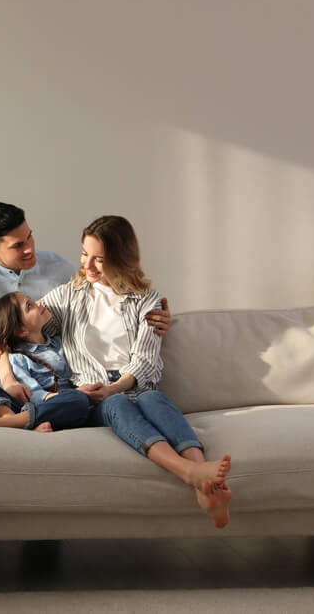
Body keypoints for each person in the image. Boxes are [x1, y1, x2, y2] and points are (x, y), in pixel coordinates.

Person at [38, 215, 233, 528]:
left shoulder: (148, 301)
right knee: (115, 404)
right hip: (92, 393)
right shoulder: (66, 297)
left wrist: (117, 386)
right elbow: (23, 326)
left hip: (134, 385)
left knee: (153, 398)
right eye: (85, 255)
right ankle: (189, 472)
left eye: (99, 259)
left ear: (121, 258)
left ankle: (206, 482)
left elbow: (146, 359)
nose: (88, 266)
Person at [0, 202, 172, 404]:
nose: (30, 249)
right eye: (18, 246)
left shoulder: (58, 267)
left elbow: (107, 293)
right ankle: (12, 416)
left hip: (59, 380)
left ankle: (37, 414)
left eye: (30, 237)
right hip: (6, 371)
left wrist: (152, 314)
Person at [0, 292, 94, 432]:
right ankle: (10, 419)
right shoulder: (19, 357)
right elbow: (31, 395)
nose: (40, 303)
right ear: (21, 330)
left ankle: (17, 424)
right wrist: (63, 396)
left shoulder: (60, 341)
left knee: (79, 400)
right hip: (30, 407)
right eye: (29, 306)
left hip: (59, 410)